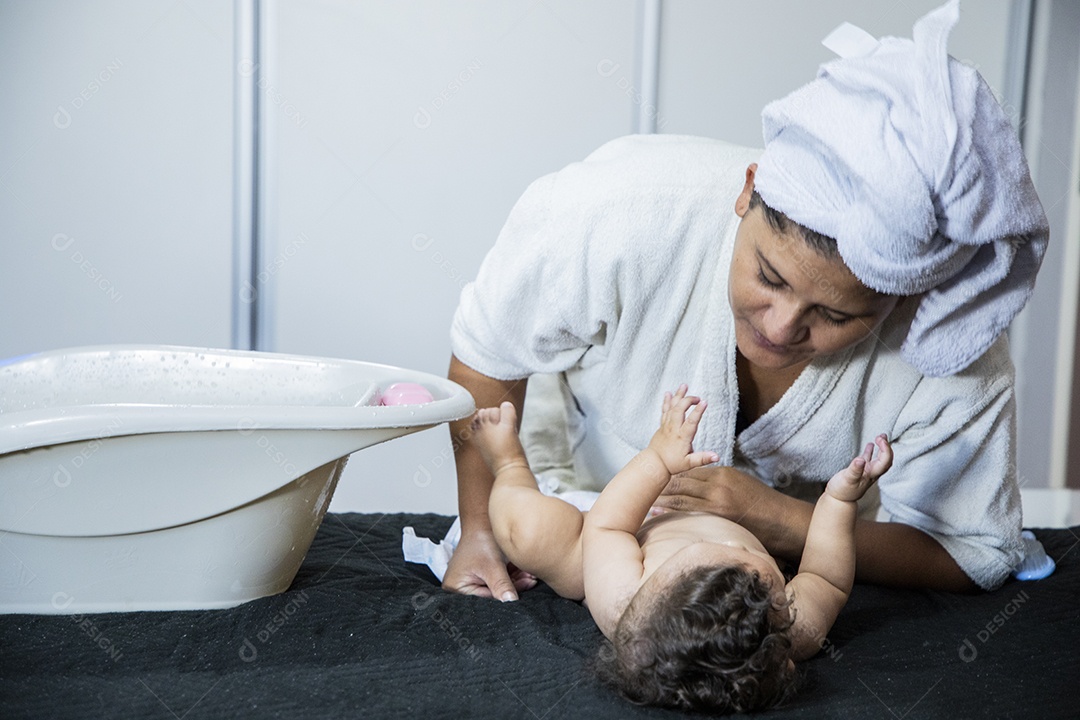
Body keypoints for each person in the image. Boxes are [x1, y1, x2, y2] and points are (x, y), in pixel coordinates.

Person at [443, 1, 1049, 601]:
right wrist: (478, 527)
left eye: (837, 315)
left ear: (911, 297)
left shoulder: (950, 346)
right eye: (770, 276)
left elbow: (972, 552)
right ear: (748, 190)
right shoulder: (618, 213)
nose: (782, 329)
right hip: (580, 487)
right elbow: (486, 355)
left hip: (796, 553)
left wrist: (783, 521)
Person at [472, 385, 892, 712]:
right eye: (744, 554)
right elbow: (824, 576)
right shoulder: (793, 627)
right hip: (657, 520)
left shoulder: (624, 598)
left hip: (615, 534)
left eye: (710, 550)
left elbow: (608, 525)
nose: (723, 542)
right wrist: (838, 501)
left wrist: (657, 459)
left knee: (529, 532)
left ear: (653, 588)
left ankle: (508, 463)